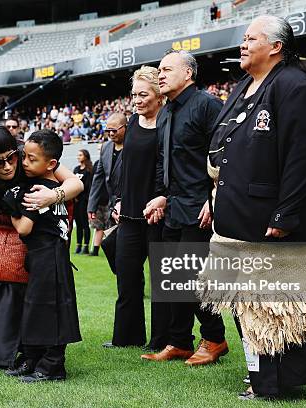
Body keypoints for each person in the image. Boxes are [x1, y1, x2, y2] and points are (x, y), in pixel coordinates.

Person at [204, 15, 306, 399]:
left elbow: (303, 158)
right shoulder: (243, 86)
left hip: (271, 219)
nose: (243, 45)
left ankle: (277, 381)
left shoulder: (294, 86)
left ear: (276, 46)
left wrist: (287, 213)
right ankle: (257, 374)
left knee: (275, 304)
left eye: (251, 38)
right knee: (245, 304)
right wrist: (211, 197)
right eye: (243, 38)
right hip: (235, 215)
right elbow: (223, 147)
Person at [0, 125, 83, 371]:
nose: (9, 166)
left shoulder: (28, 156)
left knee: (26, 292)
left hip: (29, 229)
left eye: (11, 158)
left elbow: (75, 183)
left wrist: (52, 196)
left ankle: (27, 353)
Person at [142, 50, 227, 366]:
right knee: (174, 278)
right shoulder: (165, 112)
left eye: (166, 69)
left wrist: (214, 196)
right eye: (159, 69)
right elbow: (168, 162)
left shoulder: (208, 105)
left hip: (201, 207)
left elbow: (225, 155)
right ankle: (179, 341)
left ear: (189, 73)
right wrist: (162, 196)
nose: (160, 74)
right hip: (175, 206)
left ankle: (215, 338)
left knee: (193, 278)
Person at [2, 129, 81, 382]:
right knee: (38, 308)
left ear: (52, 164)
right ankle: (33, 359)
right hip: (48, 255)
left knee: (51, 310)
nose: (24, 162)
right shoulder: (53, 186)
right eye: (24, 156)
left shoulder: (38, 190)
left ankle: (53, 366)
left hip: (48, 256)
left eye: (32, 159)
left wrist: (11, 210)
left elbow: (24, 228)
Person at [103, 66, 168, 350]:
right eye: (134, 95)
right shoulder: (130, 125)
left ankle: (163, 340)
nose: (137, 100)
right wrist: (117, 199)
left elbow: (168, 168)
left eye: (143, 94)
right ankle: (127, 337)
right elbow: (123, 168)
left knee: (163, 283)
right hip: (128, 214)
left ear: (158, 95)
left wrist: (162, 197)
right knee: (127, 278)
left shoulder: (169, 122)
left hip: (158, 213)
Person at [88, 113, 126, 258]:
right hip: (112, 206)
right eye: (107, 130)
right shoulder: (106, 147)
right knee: (113, 248)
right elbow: (98, 178)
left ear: (125, 127)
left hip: (131, 205)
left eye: (114, 130)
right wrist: (92, 205)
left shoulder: (134, 145)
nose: (110, 134)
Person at [73, 149, 93, 254]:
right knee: (78, 224)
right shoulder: (76, 169)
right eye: (78, 155)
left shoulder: (89, 170)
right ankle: (78, 245)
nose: (78, 157)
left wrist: (84, 198)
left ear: (85, 156)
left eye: (80, 155)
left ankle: (86, 246)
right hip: (75, 201)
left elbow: (89, 186)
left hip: (84, 201)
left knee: (85, 224)